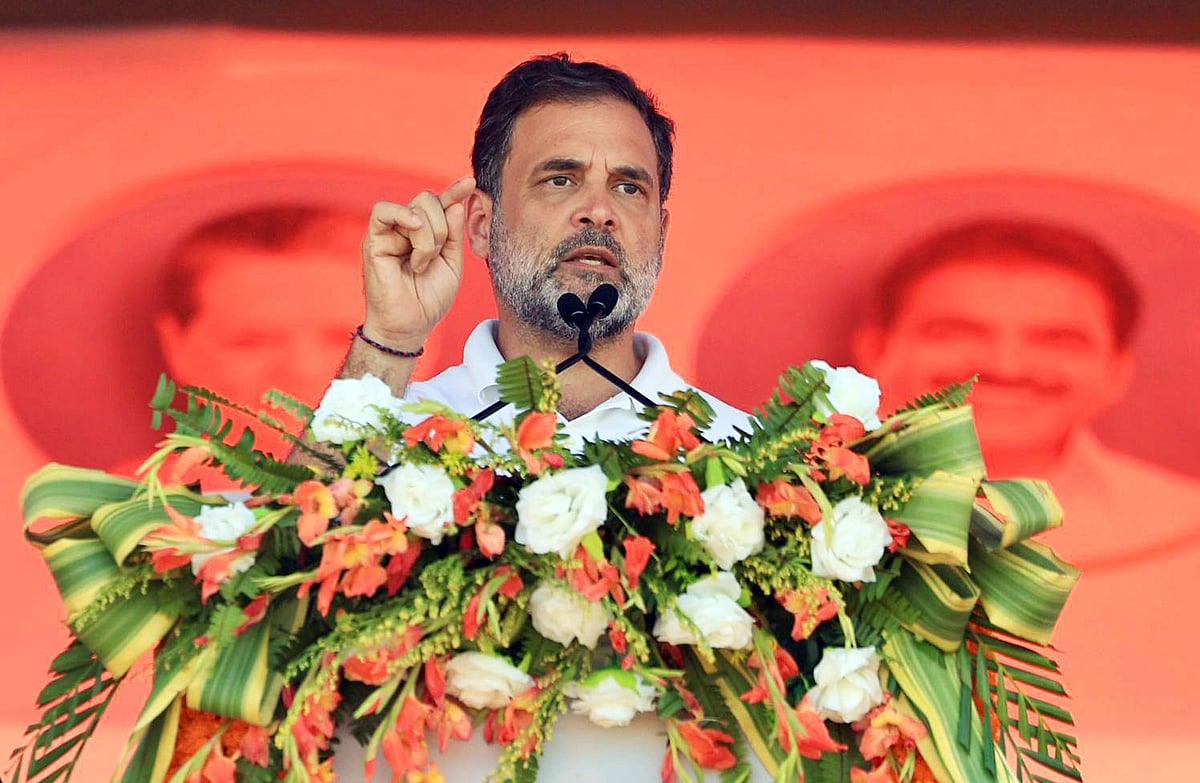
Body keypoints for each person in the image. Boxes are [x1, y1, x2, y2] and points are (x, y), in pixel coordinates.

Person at [323, 54, 753, 781]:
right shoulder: (396, 427)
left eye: (628, 185)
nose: (599, 209)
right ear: (483, 226)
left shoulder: (750, 457)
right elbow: (261, 589)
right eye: (561, 179)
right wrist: (390, 338)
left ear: (660, 229)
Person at [850, 218, 1200, 573]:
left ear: (1117, 373)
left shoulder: (1183, 522)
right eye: (957, 332)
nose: (1007, 367)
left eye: (1058, 340)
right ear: (876, 352)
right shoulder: (795, 504)